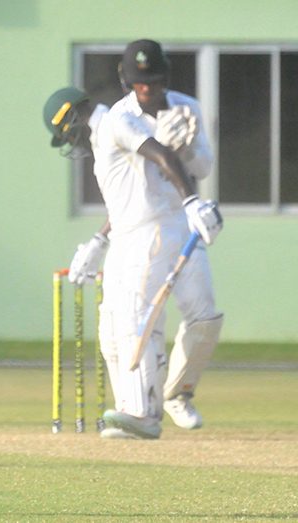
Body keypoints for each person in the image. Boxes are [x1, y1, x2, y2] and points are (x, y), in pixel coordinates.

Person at [42, 39, 224, 439]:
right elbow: (128, 193)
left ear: (69, 119)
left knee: (146, 317)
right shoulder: (114, 120)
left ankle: (145, 409)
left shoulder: (116, 122)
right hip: (131, 230)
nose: (148, 88)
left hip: (158, 227)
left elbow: (166, 157)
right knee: (115, 324)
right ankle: (136, 406)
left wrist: (192, 195)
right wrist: (97, 241)